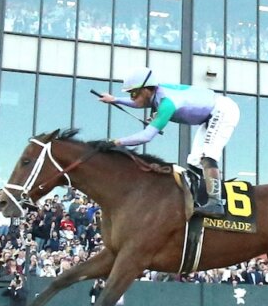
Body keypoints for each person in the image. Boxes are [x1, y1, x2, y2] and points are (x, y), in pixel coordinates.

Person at [98, 66, 240, 217]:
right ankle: (204, 196)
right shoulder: (155, 93)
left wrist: (116, 142)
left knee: (208, 155)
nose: (132, 98)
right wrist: (115, 100)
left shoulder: (167, 104)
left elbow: (146, 136)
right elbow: (140, 102)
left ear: (146, 90)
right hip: (211, 114)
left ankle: (216, 203)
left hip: (223, 110)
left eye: (134, 93)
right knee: (194, 160)